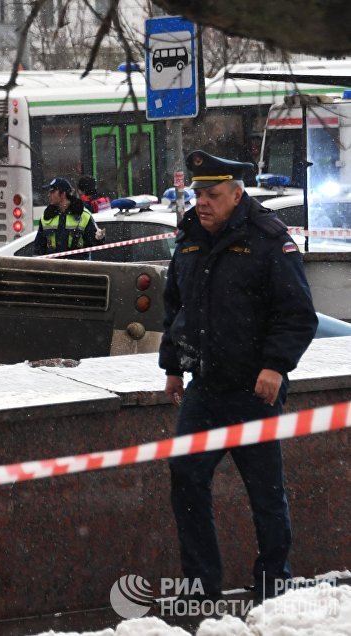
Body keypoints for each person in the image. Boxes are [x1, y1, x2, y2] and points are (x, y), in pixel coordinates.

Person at [160, 150, 318, 601]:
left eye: (211, 194)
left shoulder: (268, 238)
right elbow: (178, 307)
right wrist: (173, 366)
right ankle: (201, 584)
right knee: (186, 478)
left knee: (265, 493)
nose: (201, 203)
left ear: (236, 193)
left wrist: (275, 367)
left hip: (254, 389)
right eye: (197, 194)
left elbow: (297, 314)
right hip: (204, 389)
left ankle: (273, 582)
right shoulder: (189, 236)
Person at [31, 177, 104, 258]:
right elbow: (38, 249)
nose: (49, 195)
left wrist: (99, 238)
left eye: (52, 191)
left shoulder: (84, 215)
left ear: (63, 194)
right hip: (53, 269)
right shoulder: (46, 218)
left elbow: (94, 245)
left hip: (77, 269)